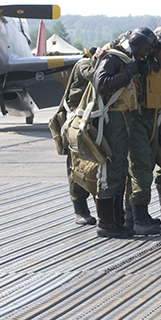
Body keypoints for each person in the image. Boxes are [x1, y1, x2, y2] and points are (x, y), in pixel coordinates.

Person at [91, 28, 158, 238]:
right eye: (145, 49)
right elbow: (101, 84)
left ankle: (117, 221)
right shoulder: (113, 58)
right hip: (113, 120)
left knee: (120, 170)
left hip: (123, 119)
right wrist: (129, 72)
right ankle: (106, 223)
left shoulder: (125, 58)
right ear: (136, 44)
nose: (146, 53)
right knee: (111, 170)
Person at [123, 28, 161, 235]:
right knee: (140, 168)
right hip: (137, 118)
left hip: (152, 118)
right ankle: (138, 217)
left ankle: (133, 215)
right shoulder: (135, 62)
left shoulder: (157, 64)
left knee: (145, 167)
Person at [62, 48, 97, 225]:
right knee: (77, 166)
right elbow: (93, 75)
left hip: (92, 118)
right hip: (78, 120)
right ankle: (80, 210)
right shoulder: (85, 63)